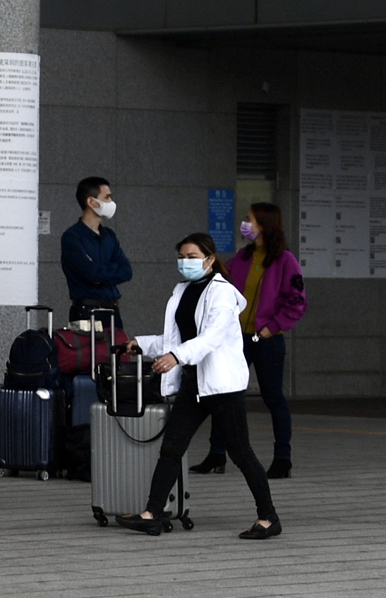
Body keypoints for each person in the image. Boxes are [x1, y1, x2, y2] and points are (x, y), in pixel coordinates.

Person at [116, 233, 281, 540]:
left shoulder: (222, 293)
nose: (186, 262)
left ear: (209, 258)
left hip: (221, 386)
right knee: (171, 448)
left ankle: (269, 517)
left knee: (241, 453)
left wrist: (175, 357)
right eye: (182, 256)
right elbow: (175, 339)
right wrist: (142, 344)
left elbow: (210, 339)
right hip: (194, 383)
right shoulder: (183, 291)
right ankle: (152, 514)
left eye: (192, 256)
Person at [193, 203, 307, 479]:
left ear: (264, 225)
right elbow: (220, 280)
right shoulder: (242, 257)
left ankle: (283, 458)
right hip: (237, 339)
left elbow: (297, 301)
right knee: (224, 394)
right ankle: (216, 454)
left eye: (249, 220)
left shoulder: (285, 260)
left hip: (267, 340)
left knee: (273, 398)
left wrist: (273, 327)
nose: (245, 224)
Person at [61, 176, 132, 326]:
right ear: (91, 202)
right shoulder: (72, 237)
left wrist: (102, 274)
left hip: (112, 310)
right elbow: (91, 274)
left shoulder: (109, 235)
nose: (111, 202)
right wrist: (112, 268)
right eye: (107, 197)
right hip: (86, 311)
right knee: (89, 350)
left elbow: (127, 271)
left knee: (115, 349)